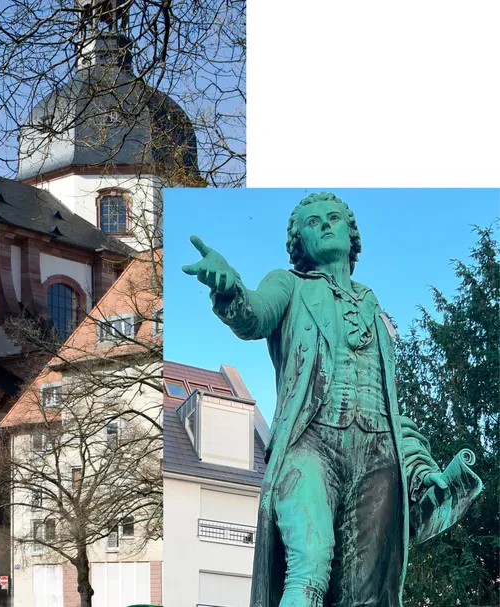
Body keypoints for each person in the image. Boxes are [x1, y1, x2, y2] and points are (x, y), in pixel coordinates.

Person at [182, 192, 472, 607]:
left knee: (367, 596)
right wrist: (230, 291)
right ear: (299, 242)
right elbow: (255, 315)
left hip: (377, 457)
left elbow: (391, 409)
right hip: (310, 445)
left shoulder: (374, 308)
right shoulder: (289, 284)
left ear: (351, 234)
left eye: (334, 218)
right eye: (313, 222)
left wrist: (422, 470)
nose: (326, 225)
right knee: (310, 564)